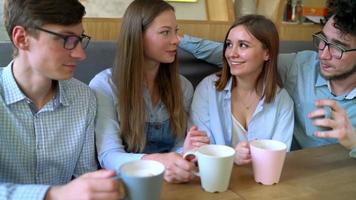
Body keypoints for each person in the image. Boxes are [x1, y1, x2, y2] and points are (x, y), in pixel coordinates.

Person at [180, 0, 356, 152]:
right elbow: (242, 58)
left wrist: (354, 142)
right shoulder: (300, 66)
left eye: (338, 48)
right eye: (322, 40)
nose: (323, 55)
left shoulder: (282, 98)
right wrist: (177, 40)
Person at [0, 0, 124, 199]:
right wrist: (54, 194)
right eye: (66, 39)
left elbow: (85, 176)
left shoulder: (84, 98)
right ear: (22, 38)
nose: (80, 54)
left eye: (79, 39)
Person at [89, 0, 209, 183]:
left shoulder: (182, 86)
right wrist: (157, 161)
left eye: (175, 31)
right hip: (127, 183)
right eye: (165, 32)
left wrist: (186, 154)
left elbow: (179, 146)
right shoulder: (104, 85)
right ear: (138, 36)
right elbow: (109, 156)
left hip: (172, 182)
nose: (176, 40)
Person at [189, 15, 294, 165]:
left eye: (243, 45)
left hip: (263, 183)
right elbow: (198, 151)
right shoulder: (207, 89)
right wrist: (232, 157)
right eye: (229, 44)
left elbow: (279, 158)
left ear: (267, 53)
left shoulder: (282, 100)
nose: (231, 53)